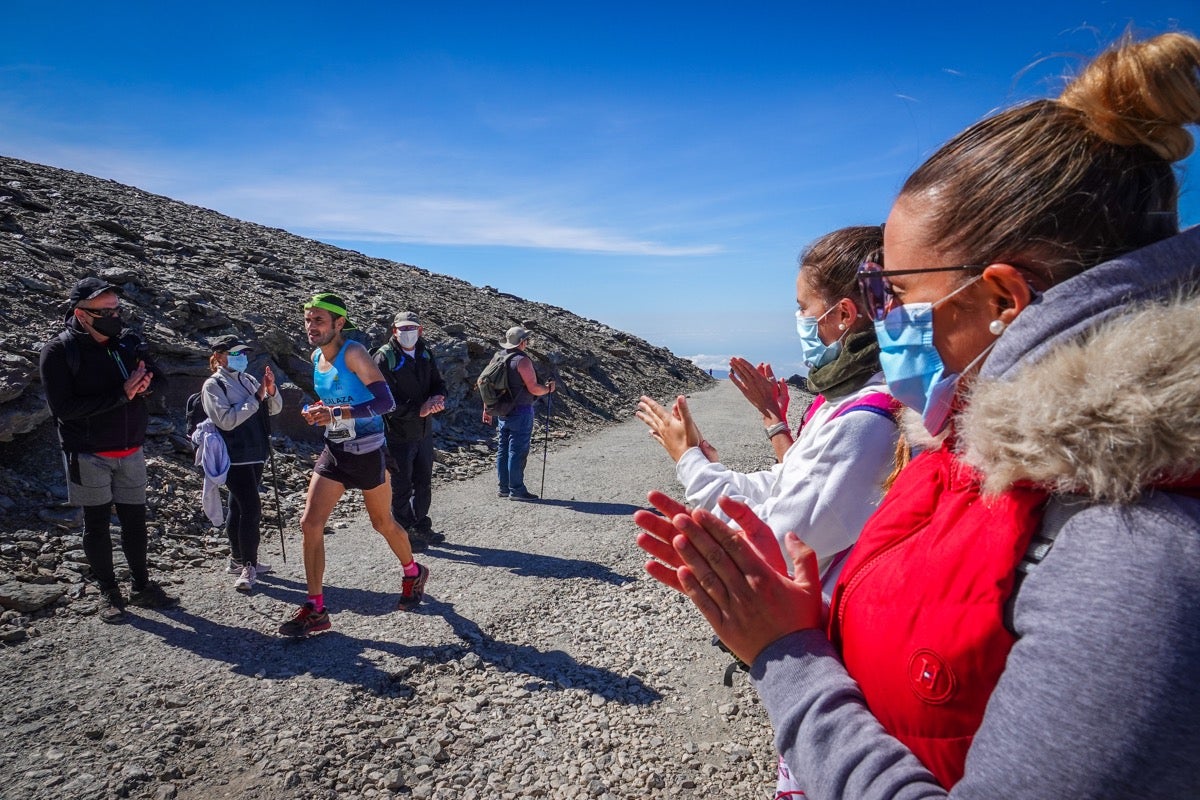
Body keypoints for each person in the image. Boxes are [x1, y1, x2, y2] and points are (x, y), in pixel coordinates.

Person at [635, 32, 1200, 798]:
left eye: (891, 293)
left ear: (1001, 300)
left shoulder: (1134, 556)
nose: (878, 318)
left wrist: (789, 655)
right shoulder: (963, 453)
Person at [636, 226, 898, 586]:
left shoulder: (864, 421)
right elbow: (788, 482)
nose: (800, 320)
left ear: (843, 315)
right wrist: (711, 466)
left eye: (804, 308)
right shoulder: (847, 397)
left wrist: (689, 461)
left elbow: (772, 542)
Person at [278, 292, 429, 637]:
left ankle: (412, 571)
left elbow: (385, 401)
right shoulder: (316, 357)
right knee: (309, 523)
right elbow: (333, 400)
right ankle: (316, 608)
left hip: (368, 451)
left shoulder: (355, 353)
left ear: (339, 323)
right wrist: (318, 410)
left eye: (319, 320)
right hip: (335, 449)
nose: (311, 327)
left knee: (382, 523)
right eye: (308, 320)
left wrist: (336, 412)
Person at [39, 277, 177, 622]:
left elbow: (159, 378)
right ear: (82, 314)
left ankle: (142, 586)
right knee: (97, 524)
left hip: (130, 448)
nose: (115, 315)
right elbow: (63, 409)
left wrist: (144, 387)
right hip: (88, 452)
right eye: (106, 310)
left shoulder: (127, 342)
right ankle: (108, 592)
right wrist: (122, 394)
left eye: (117, 309)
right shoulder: (59, 351)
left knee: (134, 522)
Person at [201, 335, 283, 593]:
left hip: (256, 452)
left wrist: (270, 390)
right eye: (236, 353)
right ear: (220, 356)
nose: (242, 358)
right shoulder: (213, 386)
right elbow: (226, 420)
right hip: (233, 455)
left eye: (244, 353)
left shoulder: (247, 380)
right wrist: (256, 398)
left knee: (237, 506)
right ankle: (249, 564)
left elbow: (273, 409)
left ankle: (237, 560)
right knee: (251, 508)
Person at [373, 311, 447, 550]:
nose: (407, 333)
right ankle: (404, 532)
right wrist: (418, 410)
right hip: (398, 433)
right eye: (402, 329)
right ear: (394, 330)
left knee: (424, 480)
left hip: (424, 431)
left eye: (411, 328)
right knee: (402, 483)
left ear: (420, 330)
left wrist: (438, 397)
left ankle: (422, 526)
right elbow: (384, 401)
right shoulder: (384, 358)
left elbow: (438, 381)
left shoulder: (425, 353)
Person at [483, 326, 555, 501]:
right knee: (517, 450)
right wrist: (548, 389)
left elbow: (486, 383)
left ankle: (504, 488)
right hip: (521, 410)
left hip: (502, 410)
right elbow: (533, 388)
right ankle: (517, 490)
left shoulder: (498, 356)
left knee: (503, 449)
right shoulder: (522, 360)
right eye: (526, 340)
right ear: (522, 342)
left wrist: (487, 408)